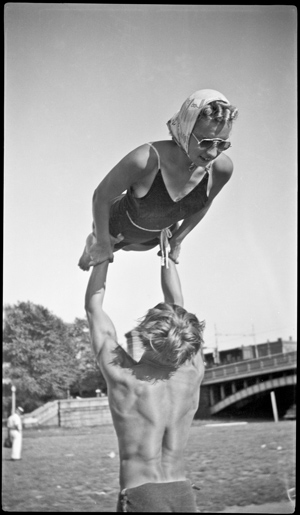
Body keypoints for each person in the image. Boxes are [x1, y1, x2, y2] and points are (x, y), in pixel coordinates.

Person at [85, 257, 206, 512]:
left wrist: (103, 252)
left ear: (146, 335)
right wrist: (168, 252)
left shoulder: (125, 379)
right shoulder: (194, 373)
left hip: (143, 496)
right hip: (183, 495)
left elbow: (94, 308)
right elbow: (178, 306)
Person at [78, 88, 238, 271]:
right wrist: (103, 243)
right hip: (118, 220)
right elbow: (101, 196)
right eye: (205, 142)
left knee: (132, 247)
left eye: (222, 144)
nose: (212, 153)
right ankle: (90, 245)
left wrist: (178, 239)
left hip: (150, 233)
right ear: (186, 130)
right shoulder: (143, 159)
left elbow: (206, 202)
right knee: (94, 257)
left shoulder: (222, 169)